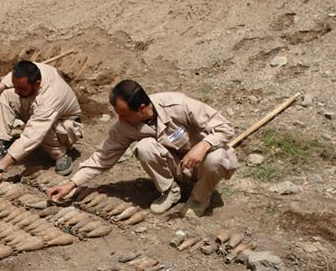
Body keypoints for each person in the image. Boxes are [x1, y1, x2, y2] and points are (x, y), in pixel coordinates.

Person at [46, 79, 238, 217]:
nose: (120, 119)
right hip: (177, 166)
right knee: (145, 147)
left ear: (142, 107)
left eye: (124, 114)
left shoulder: (177, 105)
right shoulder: (125, 126)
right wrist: (71, 184)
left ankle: (199, 198)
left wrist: (204, 145)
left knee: (217, 158)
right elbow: (102, 157)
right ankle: (170, 190)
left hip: (202, 167)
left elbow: (226, 127)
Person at [0, 60, 83, 190]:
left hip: (67, 127)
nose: (16, 91)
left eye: (21, 88)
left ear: (37, 83)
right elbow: (15, 76)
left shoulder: (51, 97)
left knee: (41, 129)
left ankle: (61, 154)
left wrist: (0, 168)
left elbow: (32, 135)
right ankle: (1, 146)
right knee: (7, 94)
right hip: (41, 111)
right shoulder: (34, 70)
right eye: (16, 86)